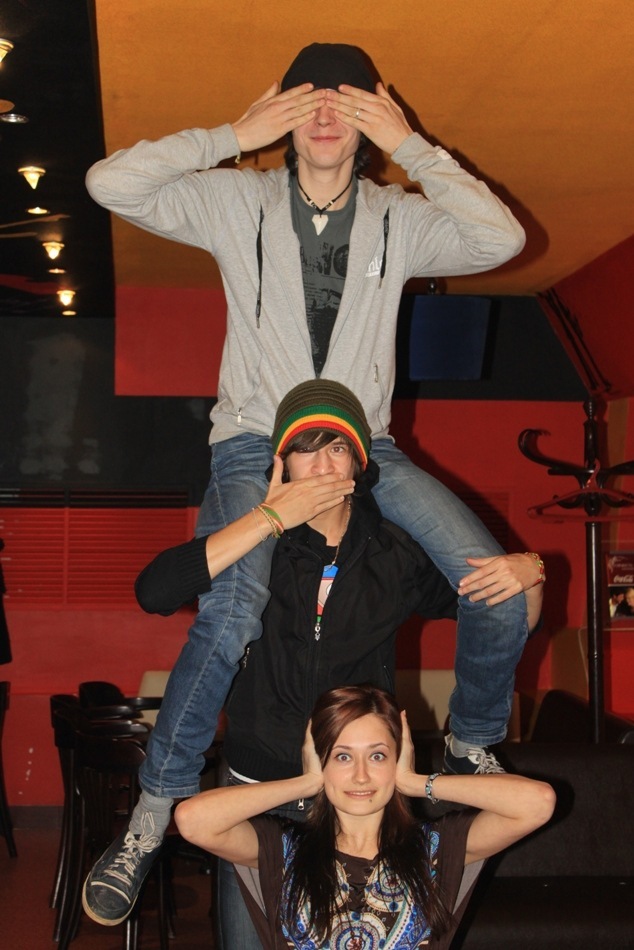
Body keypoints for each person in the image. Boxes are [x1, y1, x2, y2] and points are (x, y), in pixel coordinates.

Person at [84, 42, 528, 922]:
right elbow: (109, 183)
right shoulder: (234, 200)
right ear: (283, 115)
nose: (327, 113)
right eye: (308, 99)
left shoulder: (398, 216)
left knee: (497, 585)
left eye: (348, 101)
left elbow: (503, 238)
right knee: (234, 607)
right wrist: (231, 134)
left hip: (368, 446)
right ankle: (150, 816)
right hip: (257, 444)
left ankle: (472, 748)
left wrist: (414, 146)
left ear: (373, 118)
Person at [82, 381, 544, 937]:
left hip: (357, 795)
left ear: (359, 463)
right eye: (306, 449)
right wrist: (268, 518)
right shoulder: (255, 551)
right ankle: (146, 822)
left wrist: (531, 573)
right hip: (259, 793)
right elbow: (153, 592)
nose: (322, 466)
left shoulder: (394, 551)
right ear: (282, 463)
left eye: (337, 448)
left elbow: (504, 621)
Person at [175, 683, 556, 949]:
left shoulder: (436, 849)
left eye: (377, 756)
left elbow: (537, 802)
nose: (361, 775)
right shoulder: (284, 851)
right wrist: (306, 782)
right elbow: (193, 819)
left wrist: (416, 781)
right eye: (342, 756)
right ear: (321, 761)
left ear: (397, 759)